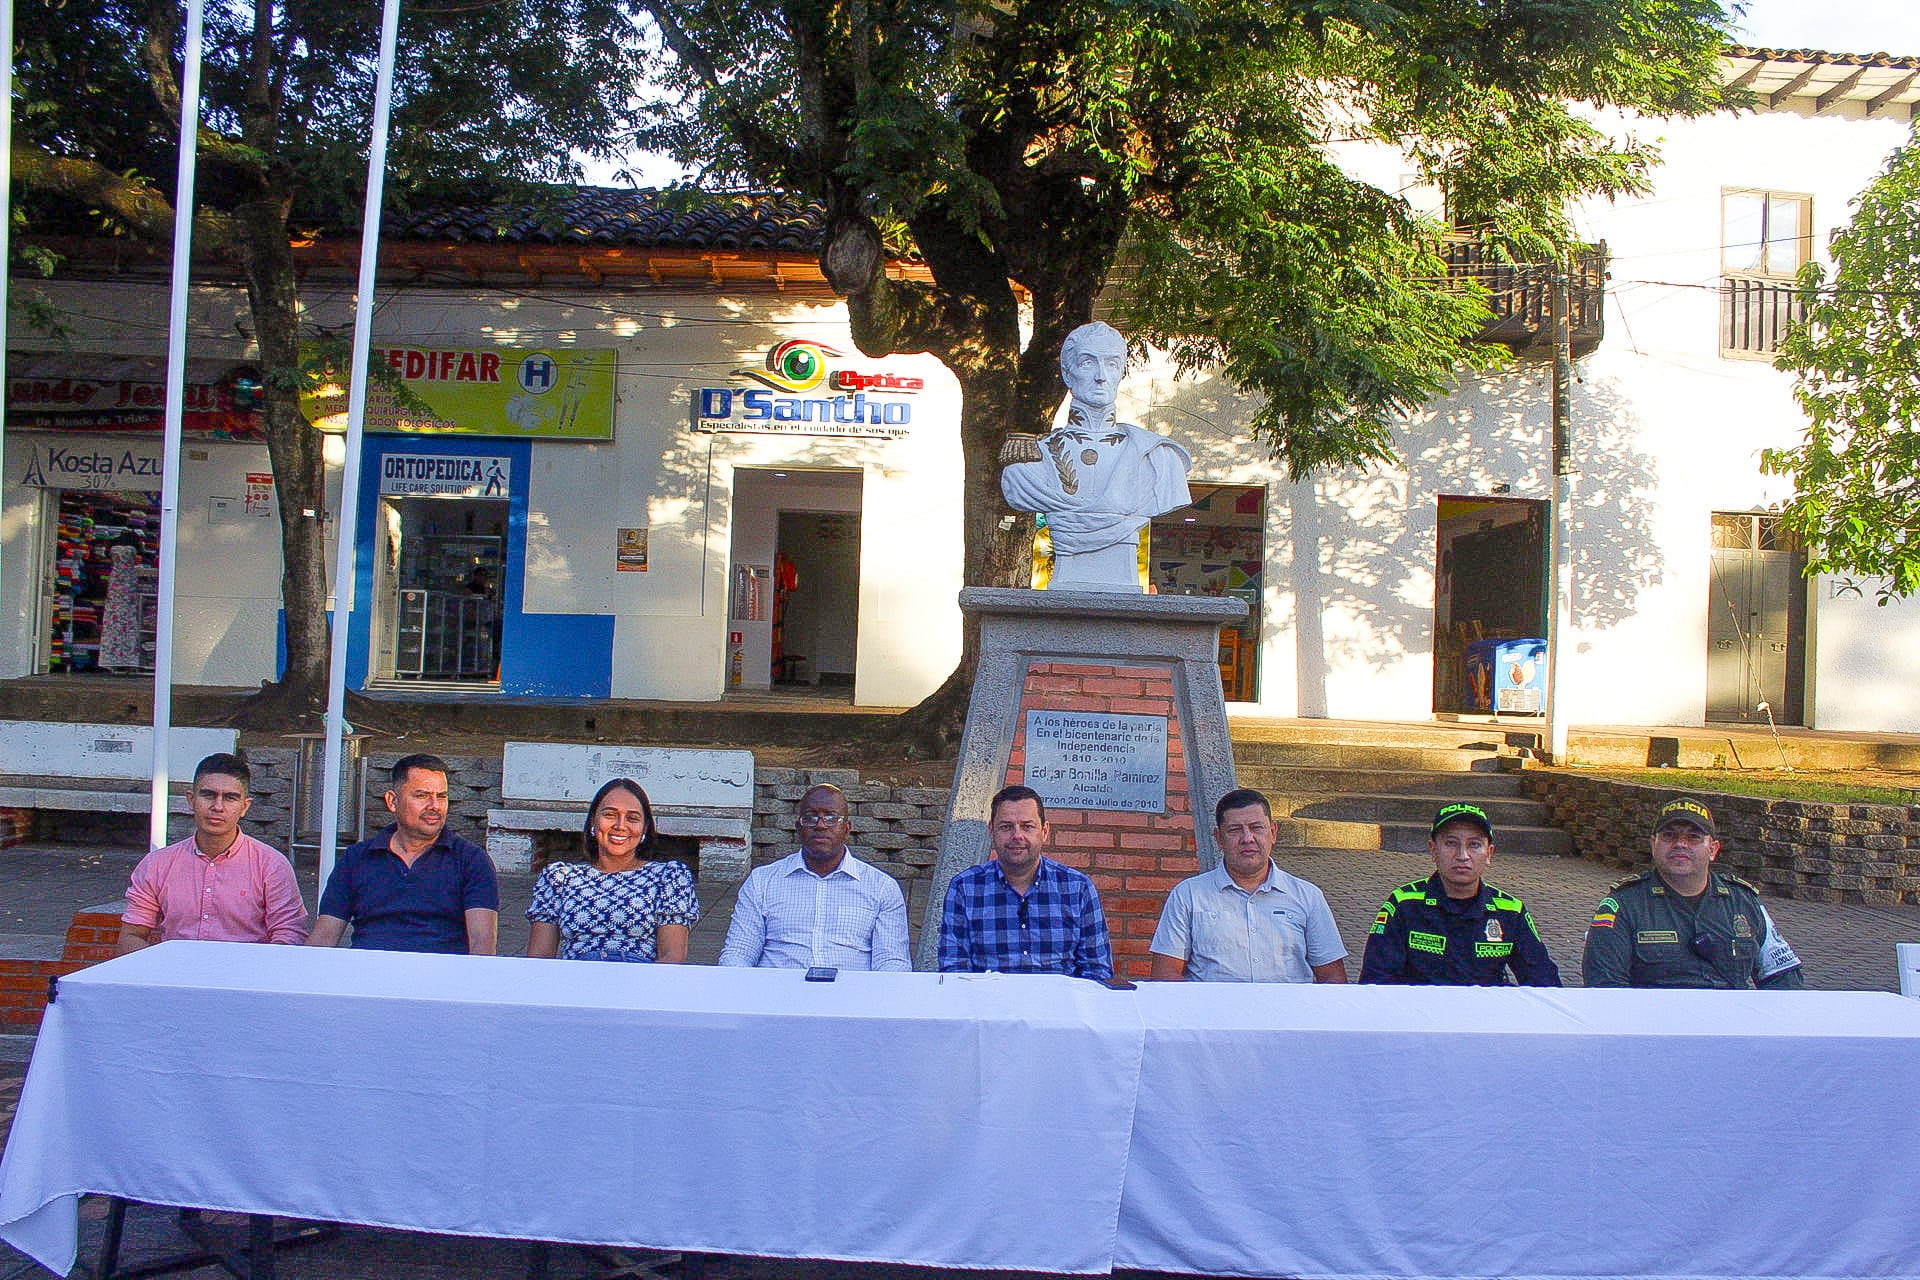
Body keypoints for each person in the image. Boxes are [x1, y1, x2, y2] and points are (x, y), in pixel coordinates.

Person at [999, 321, 1191, 591]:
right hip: (1065, 578)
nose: (1101, 376)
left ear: (1121, 373)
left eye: (1111, 364)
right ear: (1068, 373)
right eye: (1088, 363)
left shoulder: (1160, 459)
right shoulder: (1028, 465)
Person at [1583, 796, 1804, 989]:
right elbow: (1605, 985)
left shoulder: (1744, 902)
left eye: (1693, 837)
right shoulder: (1622, 905)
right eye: (1669, 836)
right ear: (1653, 845)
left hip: (1729, 1029)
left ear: (1713, 849)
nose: (1680, 844)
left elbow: (1784, 977)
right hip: (1654, 1029)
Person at [1149, 787, 1347, 982]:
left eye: (1256, 828)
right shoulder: (1188, 895)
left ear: (1273, 832)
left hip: (1287, 1013)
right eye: (1235, 830)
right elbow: (1165, 975)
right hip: (1212, 1014)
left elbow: (1332, 977)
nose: (1247, 839)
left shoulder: (1308, 896)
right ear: (1219, 839)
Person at [307, 753, 499, 954]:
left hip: (442, 977)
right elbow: (324, 936)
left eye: (441, 796)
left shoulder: (471, 860)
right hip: (368, 974)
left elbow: (483, 944)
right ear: (392, 801)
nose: (435, 806)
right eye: (422, 795)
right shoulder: (357, 858)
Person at [116, 752, 307, 952]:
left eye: (230, 798)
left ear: (245, 806)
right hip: (175, 975)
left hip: (245, 976)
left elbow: (289, 936)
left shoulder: (271, 865)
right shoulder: (157, 864)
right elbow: (131, 935)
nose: (217, 807)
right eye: (208, 795)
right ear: (191, 800)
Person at [1359, 802, 1560, 986]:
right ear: (1433, 850)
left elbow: (1545, 982)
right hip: (1419, 1019)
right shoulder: (1404, 904)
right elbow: (1375, 982)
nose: (1462, 856)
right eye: (1451, 843)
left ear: (1489, 853)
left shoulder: (1510, 910)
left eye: (1474, 845)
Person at [718, 783, 910, 971]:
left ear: (847, 828)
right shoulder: (762, 882)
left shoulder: (881, 888)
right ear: (798, 827)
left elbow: (892, 962)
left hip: (850, 998)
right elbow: (738, 953)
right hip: (776, 996)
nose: (820, 825)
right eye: (810, 818)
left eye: (831, 817)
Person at [938, 784, 1113, 980]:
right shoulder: (965, 888)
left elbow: (1098, 971)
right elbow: (954, 972)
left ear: (1045, 831)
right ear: (991, 831)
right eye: (1006, 827)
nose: (1017, 836)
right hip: (988, 1006)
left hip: (1059, 1007)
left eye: (1027, 826)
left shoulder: (1078, 888)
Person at [526, 778, 699, 962]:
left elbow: (672, 958)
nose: (620, 825)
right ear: (593, 820)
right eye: (610, 815)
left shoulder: (668, 877)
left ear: (645, 829)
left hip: (639, 983)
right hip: (575, 983)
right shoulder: (560, 878)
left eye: (632, 818)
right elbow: (539, 960)